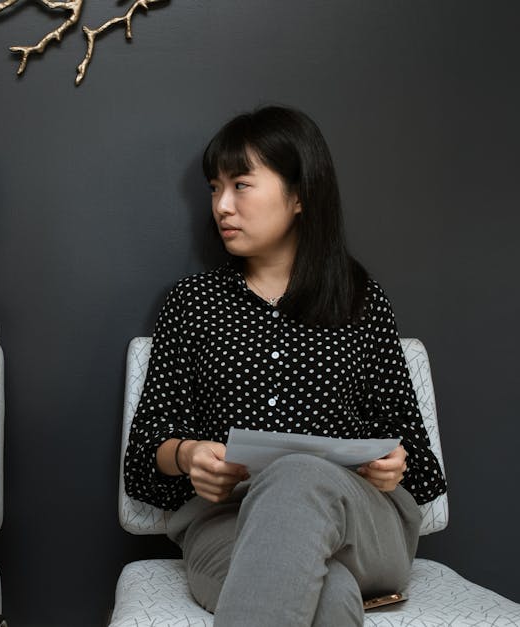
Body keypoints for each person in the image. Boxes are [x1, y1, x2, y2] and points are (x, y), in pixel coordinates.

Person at [123, 106, 447, 626]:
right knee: (330, 594)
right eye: (214, 188)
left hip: (363, 524)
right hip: (226, 523)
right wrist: (186, 457)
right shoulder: (192, 303)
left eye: (241, 185)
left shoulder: (359, 299)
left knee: (299, 476)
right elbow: (142, 459)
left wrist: (391, 463)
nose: (222, 206)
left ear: (299, 196)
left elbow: (421, 467)